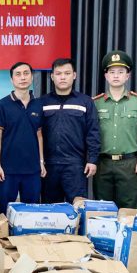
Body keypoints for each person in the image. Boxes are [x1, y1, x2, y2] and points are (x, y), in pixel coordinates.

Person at [92, 51, 137, 208]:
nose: (116, 76)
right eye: (112, 72)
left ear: (127, 76)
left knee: (128, 208)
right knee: (102, 209)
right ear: (106, 76)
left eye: (120, 72)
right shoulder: (96, 103)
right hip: (103, 163)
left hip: (129, 163)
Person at [38, 58, 100, 203]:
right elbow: (36, 133)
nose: (63, 77)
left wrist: (92, 160)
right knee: (51, 210)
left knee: (78, 208)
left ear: (74, 75)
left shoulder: (85, 102)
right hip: (49, 166)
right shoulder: (42, 102)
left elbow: (93, 132)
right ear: (52, 76)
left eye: (67, 73)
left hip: (76, 166)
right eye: (58, 73)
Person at [0, 62, 45, 214]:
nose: (23, 77)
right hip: (8, 170)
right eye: (18, 74)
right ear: (12, 79)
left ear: (32, 77)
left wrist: (41, 162)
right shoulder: (3, 105)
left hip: (32, 169)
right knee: (4, 212)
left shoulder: (38, 104)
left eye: (26, 73)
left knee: (32, 212)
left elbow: (39, 135)